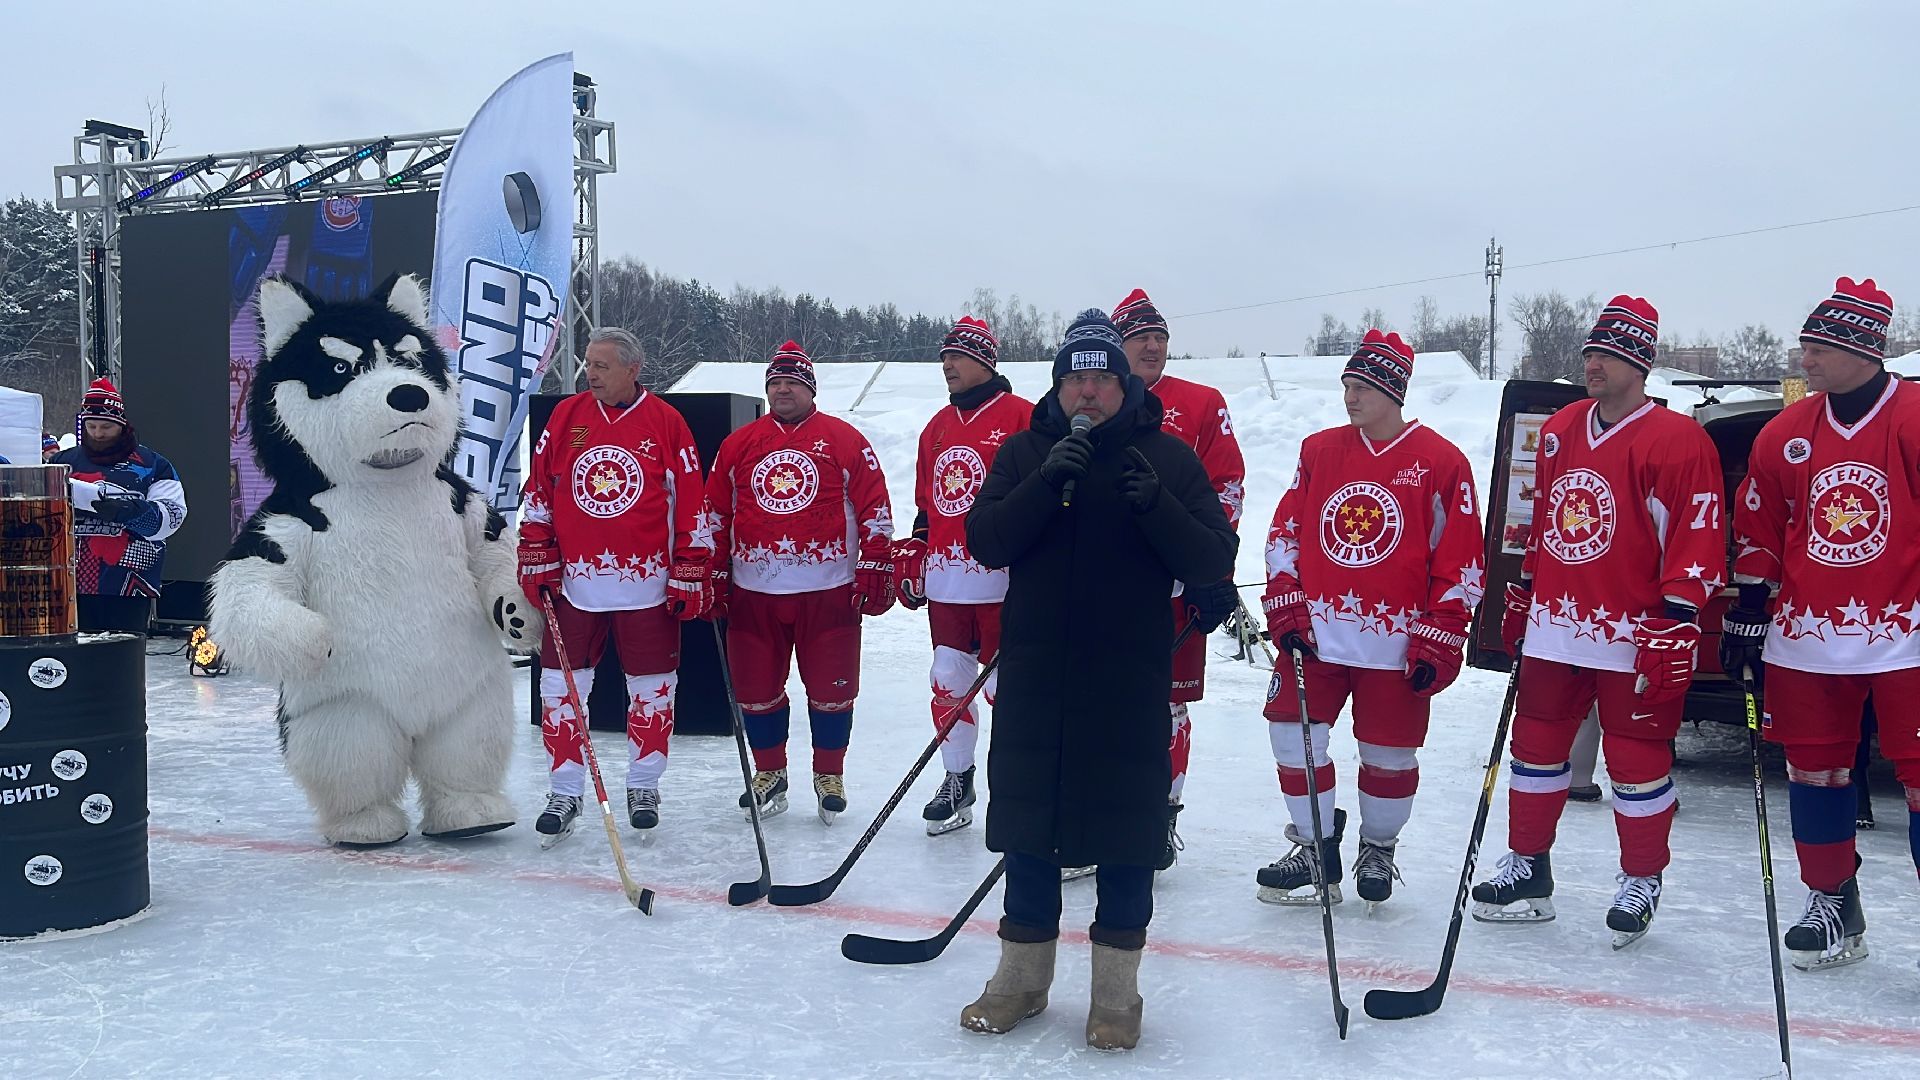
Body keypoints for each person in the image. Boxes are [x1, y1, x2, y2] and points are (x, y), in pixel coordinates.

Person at [959, 310, 1236, 1050]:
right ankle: (1020, 978)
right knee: (1027, 823)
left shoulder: (1170, 459)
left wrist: (1160, 507)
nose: (1089, 392)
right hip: (1039, 673)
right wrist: (1045, 486)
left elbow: (1212, 558)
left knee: (1124, 833)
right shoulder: (1023, 452)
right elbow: (985, 542)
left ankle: (1116, 996)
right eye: (1076, 378)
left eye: (1103, 379)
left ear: (1125, 385)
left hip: (1126, 677)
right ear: (1058, 387)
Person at [1471, 296, 1725, 948]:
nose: (1592, 363)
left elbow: (1697, 533)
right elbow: (1546, 517)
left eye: (1606, 354)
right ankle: (1528, 866)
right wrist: (1526, 589)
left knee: (1636, 758)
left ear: (1637, 363)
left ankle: (1642, 877)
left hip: (1634, 629)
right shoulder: (1558, 429)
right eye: (1590, 352)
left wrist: (1678, 615)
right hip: (1557, 623)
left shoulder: (1677, 441)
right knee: (1535, 747)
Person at [1722, 276, 1917, 971]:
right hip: (1808, 637)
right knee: (1815, 772)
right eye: (1805, 344)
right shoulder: (1787, 431)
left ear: (1861, 348)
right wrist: (1749, 610)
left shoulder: (1914, 417)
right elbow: (1761, 527)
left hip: (1905, 635)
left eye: (1818, 346)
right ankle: (1834, 902)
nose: (1805, 357)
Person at [1256, 329, 1484, 907]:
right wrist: (1284, 596)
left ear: (1391, 390)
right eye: (1346, 386)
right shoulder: (1320, 450)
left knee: (1388, 753)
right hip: (1316, 633)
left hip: (1395, 641)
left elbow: (1461, 559)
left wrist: (1440, 634)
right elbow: (1286, 528)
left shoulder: (1441, 461)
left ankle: (1378, 848)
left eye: (1359, 387)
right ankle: (1315, 847)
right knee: (1291, 732)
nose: (1349, 398)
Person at [518, 328, 705, 841]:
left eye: (601, 365)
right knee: (560, 688)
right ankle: (564, 790)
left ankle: (644, 784)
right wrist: (535, 546)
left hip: (647, 585)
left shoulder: (666, 422)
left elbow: (692, 500)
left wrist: (691, 563)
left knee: (651, 690)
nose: (590, 374)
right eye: (587, 364)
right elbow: (540, 487)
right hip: (576, 583)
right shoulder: (567, 416)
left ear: (632, 368)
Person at [704, 341, 894, 824]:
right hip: (755, 590)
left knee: (832, 686)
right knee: (756, 686)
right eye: (776, 382)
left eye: (792, 382)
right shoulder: (740, 443)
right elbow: (715, 512)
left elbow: (874, 503)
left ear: (809, 389)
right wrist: (714, 569)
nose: (783, 389)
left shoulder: (843, 438)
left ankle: (829, 773)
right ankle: (770, 770)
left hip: (827, 589)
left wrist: (876, 559)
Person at [1109, 289, 1245, 870]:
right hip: (1107, 586)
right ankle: (1103, 815)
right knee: (1102, 703)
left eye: (1160, 335)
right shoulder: (1094, 400)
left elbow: (1227, 488)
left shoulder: (1202, 402)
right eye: (1141, 335)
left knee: (1169, 708)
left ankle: (1160, 818)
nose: (1153, 344)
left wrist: (1205, 565)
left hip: (1175, 590)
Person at [894, 316, 1031, 835]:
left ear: (985, 361)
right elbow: (927, 506)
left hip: (1004, 584)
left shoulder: (1024, 416)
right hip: (949, 585)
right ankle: (958, 778)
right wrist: (917, 551)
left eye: (958, 356)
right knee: (948, 681)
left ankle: (1016, 788)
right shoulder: (936, 426)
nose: (947, 365)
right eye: (944, 357)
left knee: (1008, 690)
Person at [50, 377, 188, 633]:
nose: (98, 434)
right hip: (69, 584)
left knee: (124, 663)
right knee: (74, 663)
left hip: (129, 586)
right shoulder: (61, 463)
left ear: (122, 425)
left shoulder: (153, 464)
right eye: (91, 426)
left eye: (106, 427)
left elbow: (173, 515)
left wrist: (130, 512)